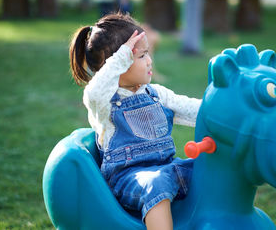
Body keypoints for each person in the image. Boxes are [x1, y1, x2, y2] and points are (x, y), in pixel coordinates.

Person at [69, 13, 201, 230]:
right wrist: (121, 58)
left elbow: (192, 109)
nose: (149, 61)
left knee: (207, 169)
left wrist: (221, 108)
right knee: (156, 184)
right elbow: (93, 91)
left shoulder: (156, 94)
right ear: (117, 64)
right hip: (129, 179)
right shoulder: (104, 103)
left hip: (168, 168)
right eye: (141, 56)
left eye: (147, 53)